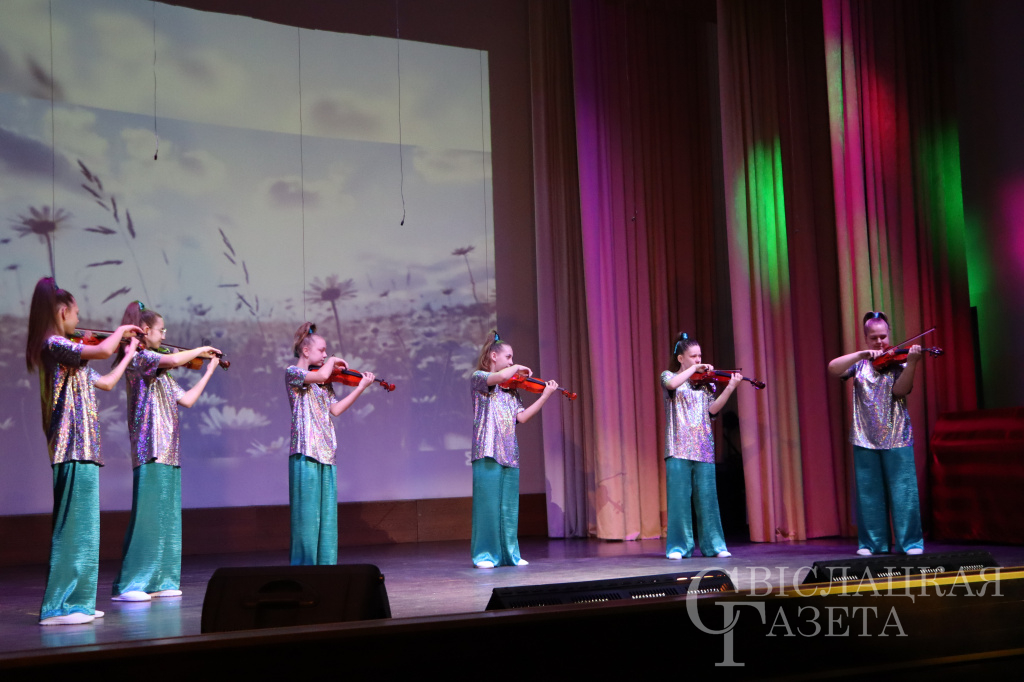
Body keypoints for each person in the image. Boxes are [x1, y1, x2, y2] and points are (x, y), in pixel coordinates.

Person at [25, 277, 142, 625]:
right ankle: (59, 606)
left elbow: (105, 381)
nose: (79, 321)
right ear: (62, 312)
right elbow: (103, 351)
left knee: (85, 530)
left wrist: (129, 354)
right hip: (70, 445)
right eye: (76, 313)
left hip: (85, 446)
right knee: (72, 529)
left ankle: (78, 603)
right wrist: (121, 331)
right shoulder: (55, 344)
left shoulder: (69, 354)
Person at [111, 301, 222, 602]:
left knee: (166, 518)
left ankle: (160, 579)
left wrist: (209, 371)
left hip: (169, 449)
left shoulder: (162, 373)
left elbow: (187, 400)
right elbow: (172, 359)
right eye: (161, 330)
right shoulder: (140, 358)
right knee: (147, 519)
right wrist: (200, 350)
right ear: (145, 331)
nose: (165, 335)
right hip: (150, 447)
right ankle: (130, 584)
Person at [828, 311, 924, 556]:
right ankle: (872, 544)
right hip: (864, 436)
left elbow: (900, 391)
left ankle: (910, 543)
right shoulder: (859, 363)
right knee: (869, 494)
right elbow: (833, 368)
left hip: (897, 434)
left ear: (889, 334)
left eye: (883, 336)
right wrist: (860, 354)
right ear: (866, 338)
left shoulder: (899, 362)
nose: (880, 342)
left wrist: (912, 363)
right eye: (874, 337)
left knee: (904, 492)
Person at [286, 322, 374, 565]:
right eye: (322, 350)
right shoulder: (294, 373)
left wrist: (361, 388)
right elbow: (323, 374)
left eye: (327, 351)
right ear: (306, 351)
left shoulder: (324, 383)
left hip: (326, 451)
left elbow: (334, 410)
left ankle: (327, 568)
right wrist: (334, 360)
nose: (325, 355)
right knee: (306, 517)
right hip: (305, 451)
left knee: (327, 519)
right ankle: (303, 569)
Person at [470, 332, 558, 568]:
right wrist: (517, 367)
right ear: (493, 356)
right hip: (487, 450)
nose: (511, 361)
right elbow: (499, 376)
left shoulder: (511, 390)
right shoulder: (480, 378)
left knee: (508, 509)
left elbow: (522, 417)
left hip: (509, 452)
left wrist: (545, 395)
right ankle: (484, 555)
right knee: (487, 507)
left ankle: (510, 555)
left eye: (512, 358)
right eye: (508, 357)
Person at [660, 332, 741, 559]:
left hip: (703, 447)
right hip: (677, 447)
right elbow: (672, 383)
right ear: (681, 358)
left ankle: (715, 546)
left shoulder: (705, 384)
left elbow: (712, 410)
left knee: (708, 500)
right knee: (679, 501)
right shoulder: (669, 376)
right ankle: (679, 547)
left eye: (699, 356)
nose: (698, 360)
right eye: (693, 356)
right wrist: (694, 369)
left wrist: (730, 388)